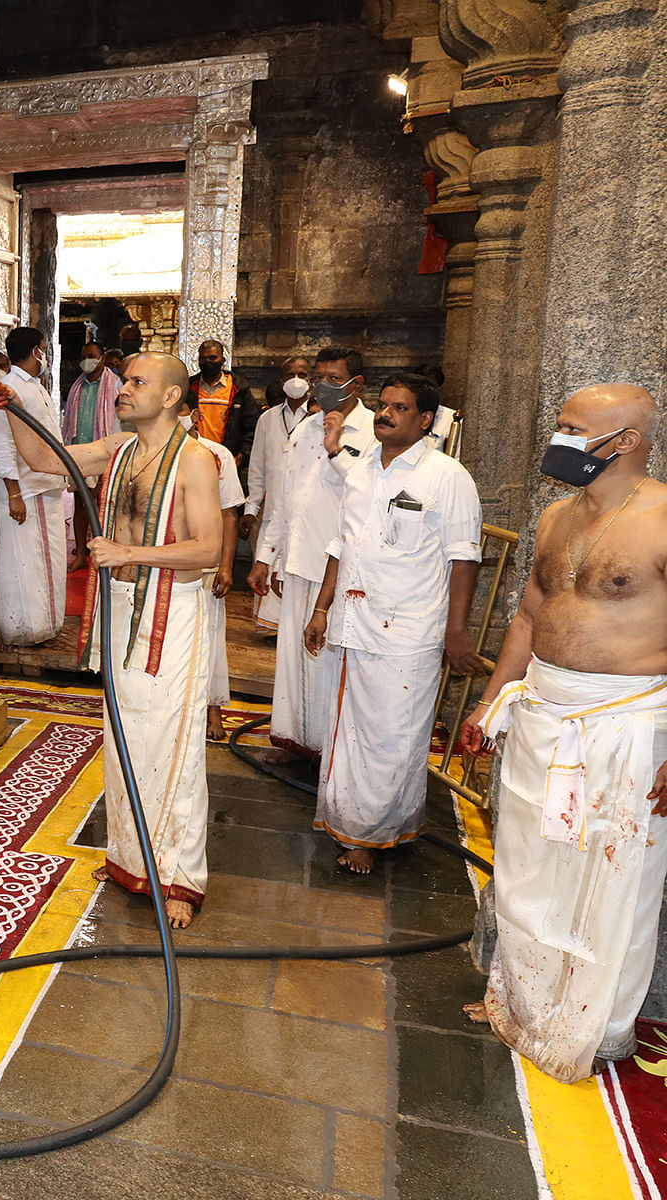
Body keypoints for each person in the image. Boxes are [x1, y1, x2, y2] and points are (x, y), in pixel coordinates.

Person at [459, 384, 667, 1083]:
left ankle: (596, 1027)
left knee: (610, 878)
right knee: (526, 865)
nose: (560, 437)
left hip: (625, 721)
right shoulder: (554, 516)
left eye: (575, 428)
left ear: (625, 442)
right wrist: (490, 706)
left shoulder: (665, 518)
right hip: (542, 709)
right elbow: (527, 616)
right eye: (560, 425)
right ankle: (520, 1000)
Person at [0, 352, 224, 928]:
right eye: (126, 379)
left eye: (138, 382)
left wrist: (127, 553)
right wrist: (14, 408)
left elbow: (208, 550)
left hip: (175, 610)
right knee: (124, 736)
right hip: (121, 603)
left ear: (170, 396)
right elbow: (45, 456)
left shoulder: (197, 460)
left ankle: (179, 880)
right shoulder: (119, 450)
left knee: (173, 742)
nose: (123, 389)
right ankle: (129, 860)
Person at [302, 374, 482, 873]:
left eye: (399, 408)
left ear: (425, 420)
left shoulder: (447, 477)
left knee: (393, 736)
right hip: (353, 622)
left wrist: (456, 631)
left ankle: (371, 836)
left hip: (408, 628)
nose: (384, 414)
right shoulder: (361, 470)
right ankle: (354, 821)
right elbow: (343, 546)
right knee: (349, 730)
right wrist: (321, 609)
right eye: (382, 405)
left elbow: (464, 559)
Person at [249, 346, 375, 761]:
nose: (323, 385)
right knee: (292, 660)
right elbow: (287, 498)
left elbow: (367, 493)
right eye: (319, 376)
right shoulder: (303, 429)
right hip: (298, 557)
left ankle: (328, 749)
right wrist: (267, 554)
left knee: (328, 659)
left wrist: (336, 446)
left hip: (341, 567)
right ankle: (293, 740)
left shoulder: (373, 432)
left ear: (355, 384)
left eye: (333, 378)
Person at [0, 327, 70, 645]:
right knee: (24, 561)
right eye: (43, 348)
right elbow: (3, 442)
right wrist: (14, 493)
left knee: (50, 560)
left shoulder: (37, 387)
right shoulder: (9, 387)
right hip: (25, 489)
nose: (44, 354)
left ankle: (47, 624)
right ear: (36, 350)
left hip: (46, 485)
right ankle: (22, 628)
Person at [178, 391, 246, 742]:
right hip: (167, 565)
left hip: (205, 566)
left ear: (195, 416)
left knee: (207, 638)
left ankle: (212, 709)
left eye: (182, 412)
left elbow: (229, 515)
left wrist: (226, 566)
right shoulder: (153, 453)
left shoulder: (217, 455)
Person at [242, 356, 315, 633]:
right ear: (282, 380)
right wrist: (251, 508)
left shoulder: (320, 418)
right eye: (290, 374)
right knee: (269, 562)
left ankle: (301, 628)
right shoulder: (267, 419)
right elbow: (258, 468)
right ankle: (274, 629)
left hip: (308, 513)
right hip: (273, 510)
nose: (296, 379)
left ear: (311, 380)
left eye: (303, 373)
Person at [63, 340, 122, 572]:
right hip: (80, 451)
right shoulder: (77, 386)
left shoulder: (115, 384)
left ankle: (106, 557)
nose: (88, 360)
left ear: (103, 358)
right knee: (81, 503)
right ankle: (80, 553)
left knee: (106, 502)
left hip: (106, 451)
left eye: (92, 356)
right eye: (84, 355)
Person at [192, 339, 259, 467]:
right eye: (203, 358)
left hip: (228, 460)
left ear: (222, 361)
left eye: (212, 358)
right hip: (194, 459)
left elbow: (251, 425)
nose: (207, 362)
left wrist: (243, 454)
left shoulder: (239, 388)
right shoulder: (190, 387)